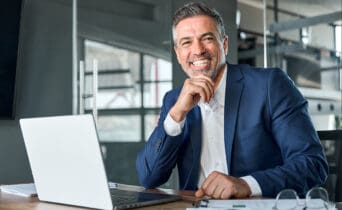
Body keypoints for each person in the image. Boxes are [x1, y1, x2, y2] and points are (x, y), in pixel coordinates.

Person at [136, 2, 328, 199]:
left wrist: (247, 184)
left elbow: (312, 164)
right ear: (178, 53)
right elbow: (149, 177)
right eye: (186, 42)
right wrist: (177, 114)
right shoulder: (174, 100)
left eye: (207, 38)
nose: (198, 50)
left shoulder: (270, 85)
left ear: (224, 44)